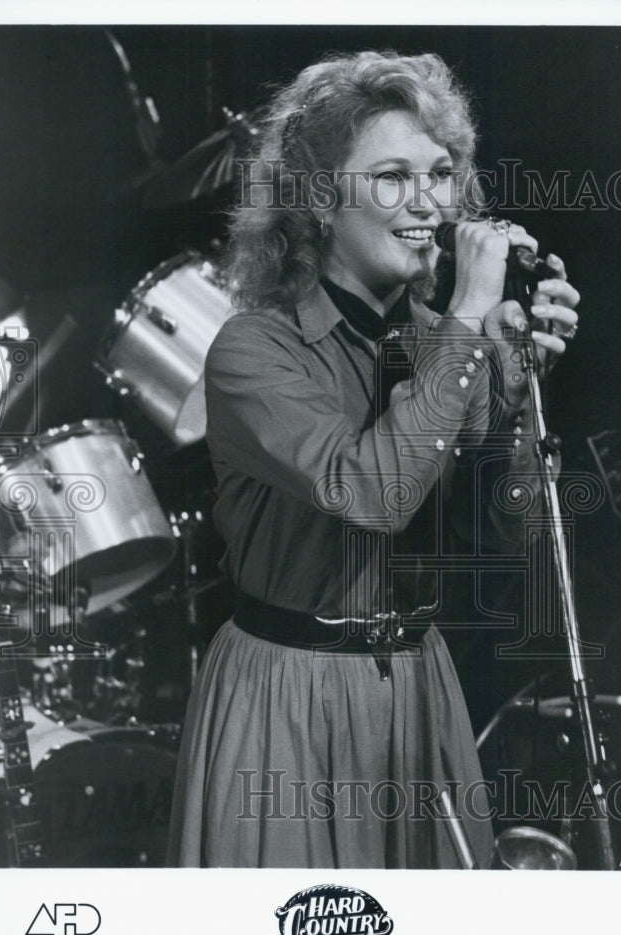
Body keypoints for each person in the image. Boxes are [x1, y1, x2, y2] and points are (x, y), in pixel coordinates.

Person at [166, 50, 580, 868]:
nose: (430, 203)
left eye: (440, 174)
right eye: (392, 177)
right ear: (320, 198)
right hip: (286, 693)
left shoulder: (445, 345)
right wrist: (464, 327)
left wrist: (518, 388)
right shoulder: (255, 348)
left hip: (420, 690)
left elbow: (516, 540)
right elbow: (373, 494)